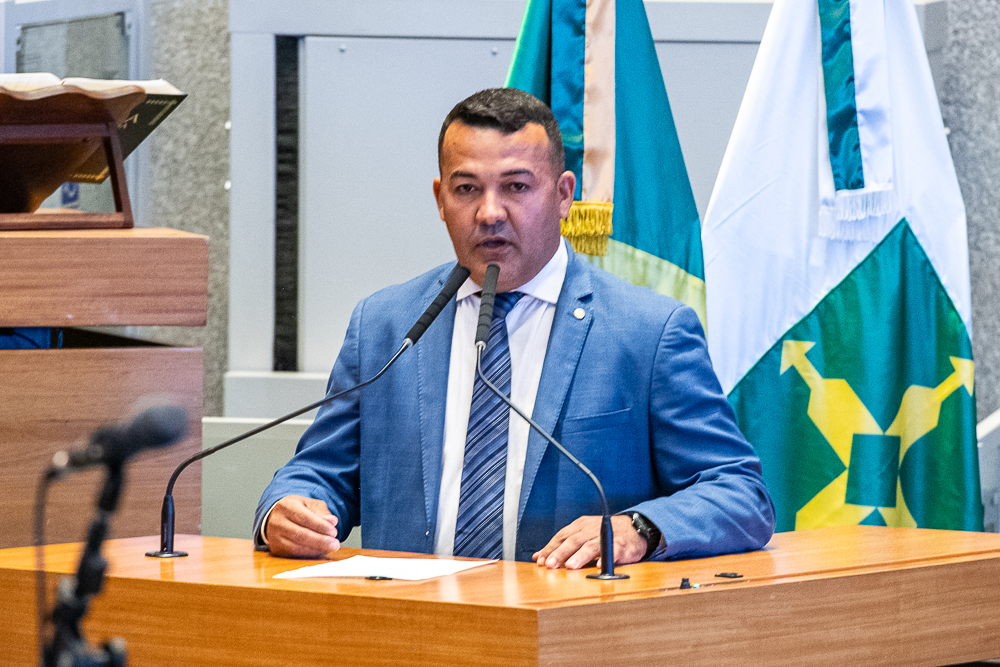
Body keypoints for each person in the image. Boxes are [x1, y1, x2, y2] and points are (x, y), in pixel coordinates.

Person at [254, 88, 774, 569]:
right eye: (466, 189)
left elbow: (739, 493)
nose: (489, 212)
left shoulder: (649, 333)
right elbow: (320, 473)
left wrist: (638, 528)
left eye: (516, 187)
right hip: (411, 621)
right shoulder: (386, 325)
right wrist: (285, 510)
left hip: (569, 624)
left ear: (564, 194)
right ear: (440, 199)